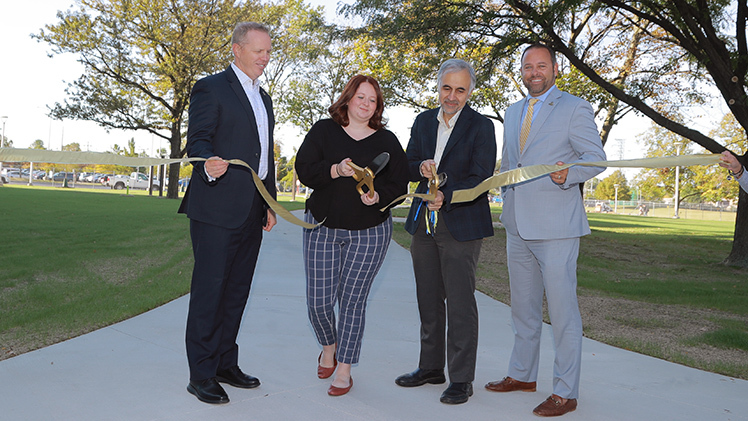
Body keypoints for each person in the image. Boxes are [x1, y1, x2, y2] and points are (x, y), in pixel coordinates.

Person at [485, 43, 606, 417]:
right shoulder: (512, 111)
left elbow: (596, 159)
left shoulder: (575, 107)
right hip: (518, 224)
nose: (534, 72)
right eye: (527, 66)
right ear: (521, 71)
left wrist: (570, 174)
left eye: (541, 65)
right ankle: (522, 375)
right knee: (522, 309)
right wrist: (505, 198)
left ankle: (565, 392)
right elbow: (511, 163)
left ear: (555, 68)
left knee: (562, 313)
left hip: (556, 228)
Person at [177, 22, 277, 405]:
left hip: (252, 208)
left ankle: (224, 364)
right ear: (236, 49)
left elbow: (263, 157)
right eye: (258, 51)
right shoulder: (210, 88)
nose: (265, 58)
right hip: (215, 208)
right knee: (210, 293)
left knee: (236, 293)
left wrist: (267, 201)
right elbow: (198, 141)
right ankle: (200, 374)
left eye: (268, 51)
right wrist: (207, 164)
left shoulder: (264, 98)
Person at [295, 75, 409, 397]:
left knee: (352, 302)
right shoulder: (323, 130)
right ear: (348, 98)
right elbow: (304, 169)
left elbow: (399, 185)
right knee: (318, 303)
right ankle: (328, 346)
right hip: (323, 227)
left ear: (378, 106)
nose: (366, 104)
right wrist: (335, 170)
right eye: (361, 97)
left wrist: (378, 198)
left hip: (370, 234)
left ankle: (343, 368)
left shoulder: (387, 141)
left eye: (372, 100)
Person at [394, 59, 497, 405]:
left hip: (461, 223)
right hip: (422, 222)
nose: (451, 96)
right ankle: (430, 368)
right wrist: (419, 166)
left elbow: (481, 178)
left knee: (460, 303)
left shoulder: (481, 127)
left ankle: (461, 379)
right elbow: (407, 165)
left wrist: (446, 195)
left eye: (460, 89)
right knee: (428, 297)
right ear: (438, 87)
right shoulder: (423, 121)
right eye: (446, 88)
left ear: (469, 91)